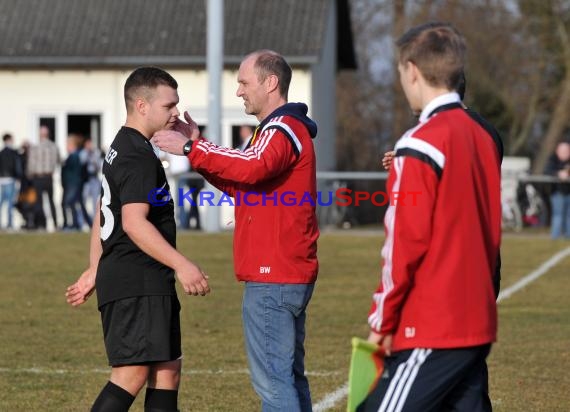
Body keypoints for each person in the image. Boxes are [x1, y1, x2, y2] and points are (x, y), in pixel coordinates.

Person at [153, 49, 319, 412]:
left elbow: (252, 167)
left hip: (273, 273)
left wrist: (190, 147)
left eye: (244, 82)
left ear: (270, 83)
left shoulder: (281, 129)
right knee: (287, 378)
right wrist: (197, 148)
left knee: (274, 385)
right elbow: (244, 181)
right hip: (282, 272)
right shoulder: (278, 130)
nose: (239, 91)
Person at [359, 23, 501, 412]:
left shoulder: (419, 142)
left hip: (432, 324)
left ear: (412, 70)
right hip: (477, 319)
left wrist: (381, 322)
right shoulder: (482, 136)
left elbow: (404, 242)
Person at [65, 66, 210, 412]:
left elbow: (105, 206)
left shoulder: (123, 144)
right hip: (137, 280)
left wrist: (94, 268)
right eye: (168, 105)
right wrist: (183, 265)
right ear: (142, 106)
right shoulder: (136, 154)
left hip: (141, 277)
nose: (176, 112)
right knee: (130, 374)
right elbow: (132, 223)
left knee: (167, 371)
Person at [27, 125, 60, 230]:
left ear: (40, 135)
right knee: (51, 200)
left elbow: (31, 164)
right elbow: (59, 161)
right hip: (49, 177)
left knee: (39, 202)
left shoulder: (35, 147)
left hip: (38, 177)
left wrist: (29, 175)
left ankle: (42, 224)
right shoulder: (54, 146)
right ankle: (55, 223)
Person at [61, 134, 90, 231]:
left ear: (71, 145)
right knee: (76, 204)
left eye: (67, 144)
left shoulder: (74, 156)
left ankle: (72, 224)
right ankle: (77, 224)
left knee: (68, 203)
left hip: (72, 184)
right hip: (72, 184)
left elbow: (73, 173)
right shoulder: (73, 156)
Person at [544, 141, 570, 239]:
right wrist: (558, 174)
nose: (565, 153)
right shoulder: (552, 159)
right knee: (558, 215)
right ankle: (555, 237)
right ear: (558, 151)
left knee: (569, 216)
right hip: (557, 192)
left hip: (569, 192)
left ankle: (568, 236)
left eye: (567, 151)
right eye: (563, 151)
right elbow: (547, 171)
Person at [0, 133, 23, 230]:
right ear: (8, 140)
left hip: (2, 180)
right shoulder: (14, 153)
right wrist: (19, 176)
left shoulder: (1, 153)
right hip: (10, 179)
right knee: (10, 202)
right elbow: (17, 166)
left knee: (2, 202)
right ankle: (9, 223)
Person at [80, 137, 104, 220]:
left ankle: (95, 220)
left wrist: (93, 158)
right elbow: (82, 162)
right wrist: (87, 153)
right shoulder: (83, 153)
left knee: (95, 201)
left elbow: (99, 166)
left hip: (94, 178)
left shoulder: (96, 153)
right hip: (86, 179)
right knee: (83, 200)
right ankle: (82, 221)